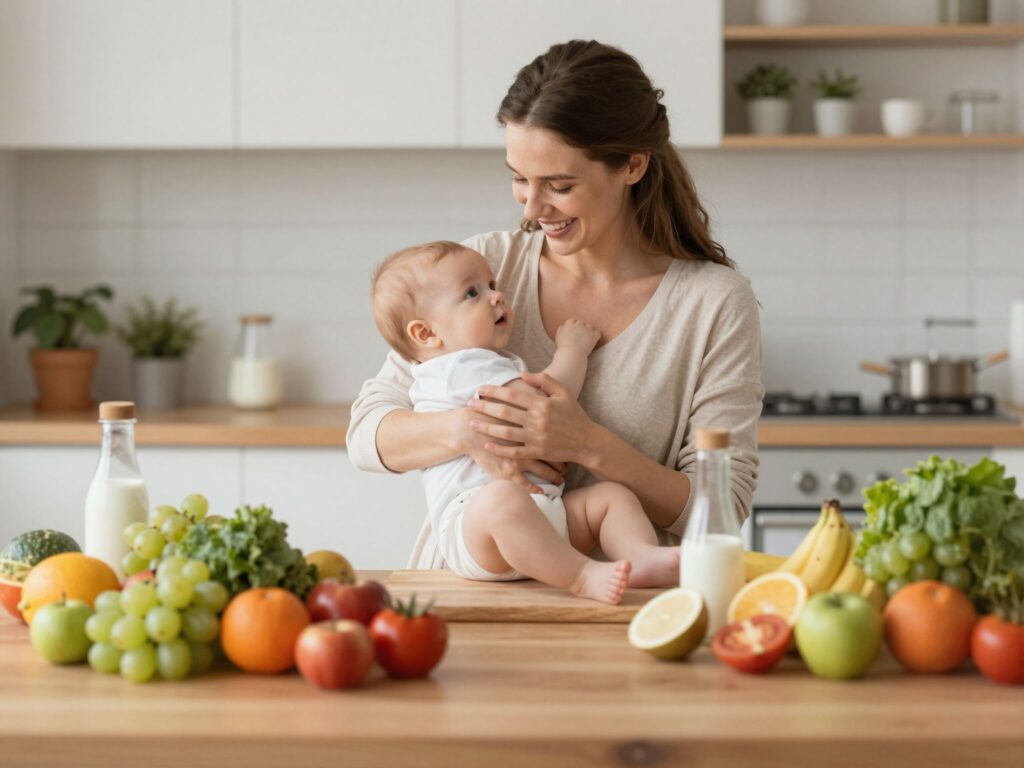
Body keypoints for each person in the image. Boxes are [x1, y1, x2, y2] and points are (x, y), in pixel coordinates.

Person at [348, 40, 763, 572]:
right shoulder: (483, 267)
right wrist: (468, 431)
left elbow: (723, 508)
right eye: (519, 179)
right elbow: (366, 435)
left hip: (625, 613)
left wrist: (587, 444)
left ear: (632, 165)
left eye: (559, 185)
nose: (532, 207)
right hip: (467, 605)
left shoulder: (712, 304)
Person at [369, 240, 680, 603]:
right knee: (501, 499)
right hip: (477, 527)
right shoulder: (456, 367)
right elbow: (545, 407)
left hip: (543, 518)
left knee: (611, 497)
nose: (496, 297)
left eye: (492, 285)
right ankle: (581, 576)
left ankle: (638, 554)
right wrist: (572, 351)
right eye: (472, 293)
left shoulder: (489, 361)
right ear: (427, 334)